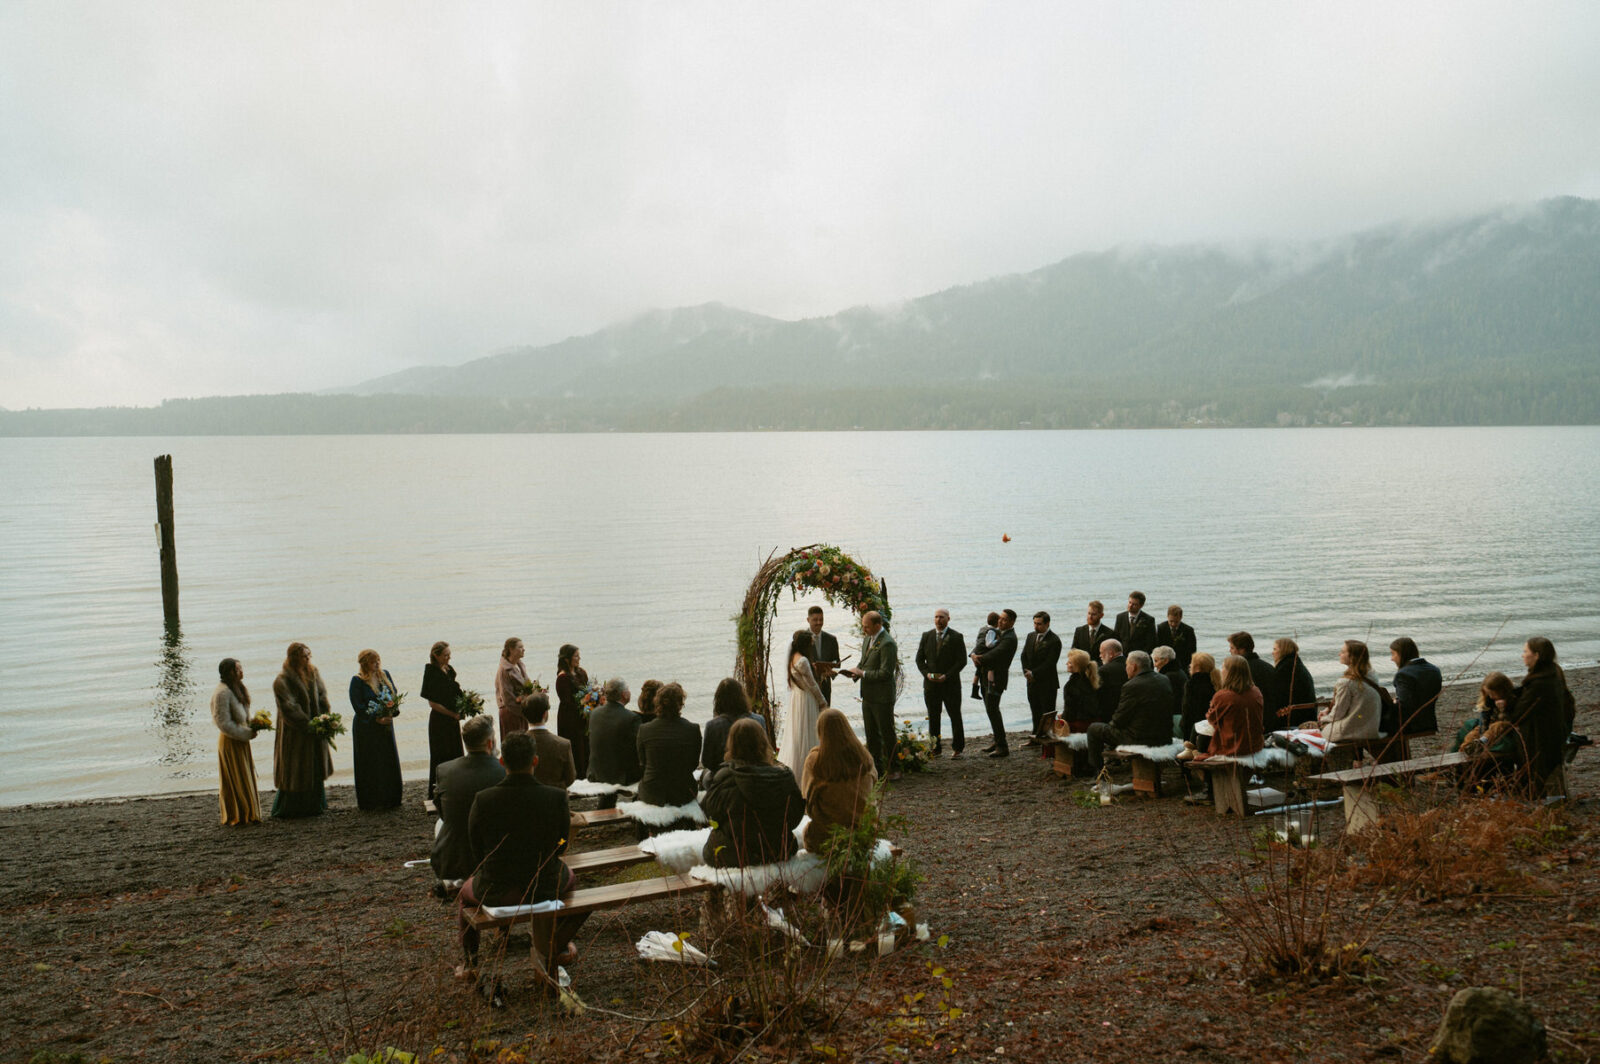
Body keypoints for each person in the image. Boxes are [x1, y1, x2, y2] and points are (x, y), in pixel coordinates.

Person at [459, 732, 578, 981]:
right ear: (535, 761)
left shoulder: (484, 800)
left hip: (496, 886)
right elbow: (562, 841)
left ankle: (470, 963)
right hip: (544, 882)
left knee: (464, 896)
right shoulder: (555, 798)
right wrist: (552, 849)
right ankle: (560, 944)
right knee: (571, 878)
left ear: (502, 762)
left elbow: (476, 846)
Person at [702, 718, 805, 868]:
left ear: (732, 745)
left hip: (735, 855)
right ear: (763, 743)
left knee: (713, 845)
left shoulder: (725, 777)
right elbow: (795, 817)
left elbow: (710, 814)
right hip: (779, 850)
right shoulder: (784, 776)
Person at [430, 716, 506, 882]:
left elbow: (443, 813)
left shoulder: (444, 769)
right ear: (490, 743)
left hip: (454, 860)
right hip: (493, 854)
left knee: (440, 823)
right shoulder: (504, 770)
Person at [801, 707, 878, 853]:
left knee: (806, 832)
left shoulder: (815, 761)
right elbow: (874, 787)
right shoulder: (864, 756)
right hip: (864, 835)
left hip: (828, 839)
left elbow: (807, 800)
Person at [271, 642, 333, 818]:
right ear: (295, 657)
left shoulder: (313, 673)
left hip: (315, 728)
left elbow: (322, 696)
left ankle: (315, 804)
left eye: (309, 655)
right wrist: (308, 725)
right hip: (295, 733)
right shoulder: (282, 680)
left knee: (314, 765)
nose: (307, 659)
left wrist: (324, 718)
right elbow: (289, 708)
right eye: (304, 656)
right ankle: (291, 808)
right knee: (295, 769)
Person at [1086, 651, 1173, 773]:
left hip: (1141, 738)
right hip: (1164, 735)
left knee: (1094, 728)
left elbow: (1119, 719)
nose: (1126, 668)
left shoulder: (1131, 686)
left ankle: (1097, 771)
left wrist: (1110, 728)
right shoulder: (1163, 679)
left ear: (1134, 666)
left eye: (1127, 665)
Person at [1513, 637, 1577, 795]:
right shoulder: (1553, 672)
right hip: (1555, 732)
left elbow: (1518, 714)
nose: (1522, 655)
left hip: (1541, 739)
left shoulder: (1540, 683)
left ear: (1536, 655)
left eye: (1525, 651)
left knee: (1507, 739)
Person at [845, 610, 901, 777]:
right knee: (871, 734)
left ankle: (895, 768)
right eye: (863, 627)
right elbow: (864, 662)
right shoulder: (868, 639)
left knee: (886, 732)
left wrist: (864, 674)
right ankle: (877, 769)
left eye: (867, 627)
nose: (864, 630)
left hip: (882, 696)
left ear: (878, 625)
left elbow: (886, 673)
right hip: (868, 695)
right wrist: (855, 672)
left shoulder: (887, 644)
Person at [349, 649, 404, 811]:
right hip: (366, 727)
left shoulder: (384, 675)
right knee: (370, 761)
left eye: (378, 660)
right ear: (365, 663)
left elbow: (394, 696)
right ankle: (372, 800)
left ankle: (391, 797)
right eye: (374, 661)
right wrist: (375, 719)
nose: (377, 664)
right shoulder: (357, 681)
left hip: (385, 724)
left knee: (387, 758)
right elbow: (358, 706)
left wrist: (391, 712)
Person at [211, 657, 262, 826]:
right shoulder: (222, 693)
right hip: (231, 742)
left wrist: (254, 725)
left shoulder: (236, 688)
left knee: (245, 776)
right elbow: (223, 723)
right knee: (236, 779)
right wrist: (245, 734)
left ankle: (249, 813)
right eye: (238, 669)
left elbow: (242, 716)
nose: (242, 671)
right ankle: (238, 815)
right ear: (230, 672)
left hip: (241, 740)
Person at [635, 682, 702, 807]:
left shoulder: (644, 729)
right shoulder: (692, 729)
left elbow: (643, 763)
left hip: (652, 792)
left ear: (658, 704)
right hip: (683, 792)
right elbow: (693, 764)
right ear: (680, 704)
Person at [916, 609, 967, 756]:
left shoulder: (956, 637)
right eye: (936, 617)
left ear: (948, 619)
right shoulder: (927, 636)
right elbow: (919, 659)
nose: (939, 620)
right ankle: (935, 748)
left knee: (955, 715)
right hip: (931, 685)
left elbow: (961, 661)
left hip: (951, 685)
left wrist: (948, 675)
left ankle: (958, 748)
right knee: (933, 716)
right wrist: (927, 674)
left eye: (942, 617)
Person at [777, 631, 828, 778]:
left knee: (798, 733)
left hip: (796, 699)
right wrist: (822, 702)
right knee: (808, 732)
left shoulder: (793, 658)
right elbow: (812, 685)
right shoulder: (803, 661)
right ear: (806, 645)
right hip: (806, 700)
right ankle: (808, 773)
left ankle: (797, 770)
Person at [586, 677, 642, 807]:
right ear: (624, 694)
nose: (629, 692)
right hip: (619, 776)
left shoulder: (594, 713)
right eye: (628, 689)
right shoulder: (631, 718)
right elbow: (637, 748)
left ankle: (606, 805)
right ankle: (639, 806)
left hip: (595, 772)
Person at [971, 609, 1018, 758]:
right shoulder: (999, 632)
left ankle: (1002, 746)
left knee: (993, 710)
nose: (1000, 621)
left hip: (997, 679)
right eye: (1000, 618)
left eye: (1004, 619)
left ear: (1011, 622)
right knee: (990, 710)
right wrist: (973, 654)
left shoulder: (1010, 638)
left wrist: (979, 659)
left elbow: (996, 654)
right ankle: (997, 740)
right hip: (986, 676)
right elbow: (983, 643)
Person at [421, 641, 464, 803]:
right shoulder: (431, 672)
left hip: (453, 719)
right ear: (436, 656)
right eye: (445, 655)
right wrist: (451, 714)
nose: (448, 657)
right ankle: (438, 791)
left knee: (456, 752)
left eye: (449, 654)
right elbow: (432, 703)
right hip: (439, 720)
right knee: (441, 755)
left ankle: (456, 787)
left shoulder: (449, 670)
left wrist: (462, 707)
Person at [1201, 655, 1265, 758]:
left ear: (1229, 672)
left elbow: (1211, 719)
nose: (1221, 671)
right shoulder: (1256, 691)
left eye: (1223, 667)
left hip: (1234, 747)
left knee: (1199, 734)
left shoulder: (1223, 695)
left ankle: (1197, 768)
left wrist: (1212, 706)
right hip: (1255, 745)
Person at [1319, 640, 1381, 743]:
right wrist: (1328, 710)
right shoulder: (1372, 676)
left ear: (1352, 657)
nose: (1339, 654)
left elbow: (1337, 714)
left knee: (1309, 729)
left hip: (1350, 731)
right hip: (1371, 728)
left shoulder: (1346, 683)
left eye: (1343, 652)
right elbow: (1355, 704)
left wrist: (1323, 718)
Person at [1454, 672, 1520, 760]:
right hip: (1491, 723)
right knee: (1472, 733)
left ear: (1502, 690)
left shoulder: (1515, 696)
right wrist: (1482, 731)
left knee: (1496, 727)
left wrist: (1504, 708)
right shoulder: (1489, 699)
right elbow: (1484, 718)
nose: (1491, 696)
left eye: (1493, 693)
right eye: (1489, 694)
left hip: (1507, 725)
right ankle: (1464, 750)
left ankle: (1482, 743)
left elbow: (1512, 719)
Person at [1020, 611, 1062, 745]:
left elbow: (1050, 663)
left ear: (1047, 624)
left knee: (1047, 712)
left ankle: (1047, 740)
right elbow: (1023, 656)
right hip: (1031, 681)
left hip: (1047, 682)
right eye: (1034, 623)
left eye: (1039, 624)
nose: (1036, 626)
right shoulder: (1031, 636)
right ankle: (1035, 736)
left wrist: (1034, 673)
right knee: (1035, 710)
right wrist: (1026, 673)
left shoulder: (1054, 640)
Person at [702, 677, 759, 775]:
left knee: (706, 776)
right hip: (755, 773)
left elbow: (707, 761)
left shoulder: (712, 726)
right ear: (742, 697)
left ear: (718, 700)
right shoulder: (758, 720)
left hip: (723, 775)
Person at [1228, 632, 1279, 735]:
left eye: (1232, 648)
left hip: (1254, 724)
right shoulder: (1268, 667)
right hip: (1273, 720)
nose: (1230, 651)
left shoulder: (1241, 671)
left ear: (1242, 650)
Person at [524, 691, 576, 791]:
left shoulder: (516, 745)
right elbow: (570, 778)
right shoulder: (563, 744)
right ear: (545, 714)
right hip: (555, 798)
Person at [1390, 638, 1442, 736]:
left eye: (1393, 654)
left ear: (1401, 654)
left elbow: (1404, 706)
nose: (1391, 658)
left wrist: (1393, 702)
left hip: (1409, 725)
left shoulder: (1403, 674)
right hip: (1429, 722)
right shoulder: (1434, 669)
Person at [555, 644, 590, 780]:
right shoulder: (562, 678)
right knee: (575, 745)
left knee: (585, 744)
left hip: (583, 714)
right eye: (576, 656)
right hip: (569, 717)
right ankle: (576, 775)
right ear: (567, 659)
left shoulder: (581, 672)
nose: (579, 658)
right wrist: (583, 704)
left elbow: (587, 689)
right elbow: (566, 701)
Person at [1272, 638, 1319, 728]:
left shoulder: (1286, 668)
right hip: (1308, 713)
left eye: (1275, 649)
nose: (1272, 653)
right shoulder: (1295, 663)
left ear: (1283, 651)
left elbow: (1278, 696)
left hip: (1297, 716)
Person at [1179, 652, 1221, 749]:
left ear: (1197, 667)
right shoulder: (1216, 682)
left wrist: (1185, 730)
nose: (1190, 665)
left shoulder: (1191, 684)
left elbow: (1187, 710)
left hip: (1195, 729)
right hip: (1211, 729)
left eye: (1192, 663)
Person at [494, 638, 530, 742]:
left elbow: (527, 686)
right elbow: (508, 699)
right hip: (511, 713)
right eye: (520, 647)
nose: (524, 649)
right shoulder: (504, 670)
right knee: (515, 745)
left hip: (520, 711)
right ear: (511, 649)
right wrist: (526, 714)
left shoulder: (519, 664)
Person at [1058, 648, 1101, 733]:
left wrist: (1062, 717)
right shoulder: (1091, 681)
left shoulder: (1071, 685)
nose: (1066, 663)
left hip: (1080, 725)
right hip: (1095, 721)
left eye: (1069, 662)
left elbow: (1070, 713)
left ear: (1077, 665)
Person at [805, 606, 841, 704]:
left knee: (825, 717)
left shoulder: (831, 639)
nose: (819, 623)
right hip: (808, 688)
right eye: (815, 620)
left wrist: (831, 669)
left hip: (825, 687)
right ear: (808, 620)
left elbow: (837, 662)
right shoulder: (802, 639)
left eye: (821, 619)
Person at [1155, 605, 1197, 671]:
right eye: (1171, 621)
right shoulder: (1161, 628)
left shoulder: (1188, 630)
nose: (1173, 624)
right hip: (1165, 663)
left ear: (1181, 617)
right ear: (1167, 616)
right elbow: (1158, 646)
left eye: (1176, 622)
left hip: (1182, 664)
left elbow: (1192, 650)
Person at [1096, 639, 1128, 724]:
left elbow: (1099, 696)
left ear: (1110, 654)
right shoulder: (1131, 665)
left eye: (1101, 652)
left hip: (1110, 716)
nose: (1100, 656)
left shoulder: (1103, 670)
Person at [970, 611, 1000, 702]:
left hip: (977, 650)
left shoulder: (982, 628)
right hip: (983, 652)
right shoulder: (992, 631)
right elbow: (989, 644)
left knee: (978, 671)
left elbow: (979, 640)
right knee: (991, 669)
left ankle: (974, 691)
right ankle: (991, 688)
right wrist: (997, 641)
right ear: (997, 622)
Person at [1152, 645, 1186, 714]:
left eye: (1156, 661)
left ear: (1166, 661)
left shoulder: (1168, 677)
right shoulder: (1179, 671)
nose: (1155, 665)